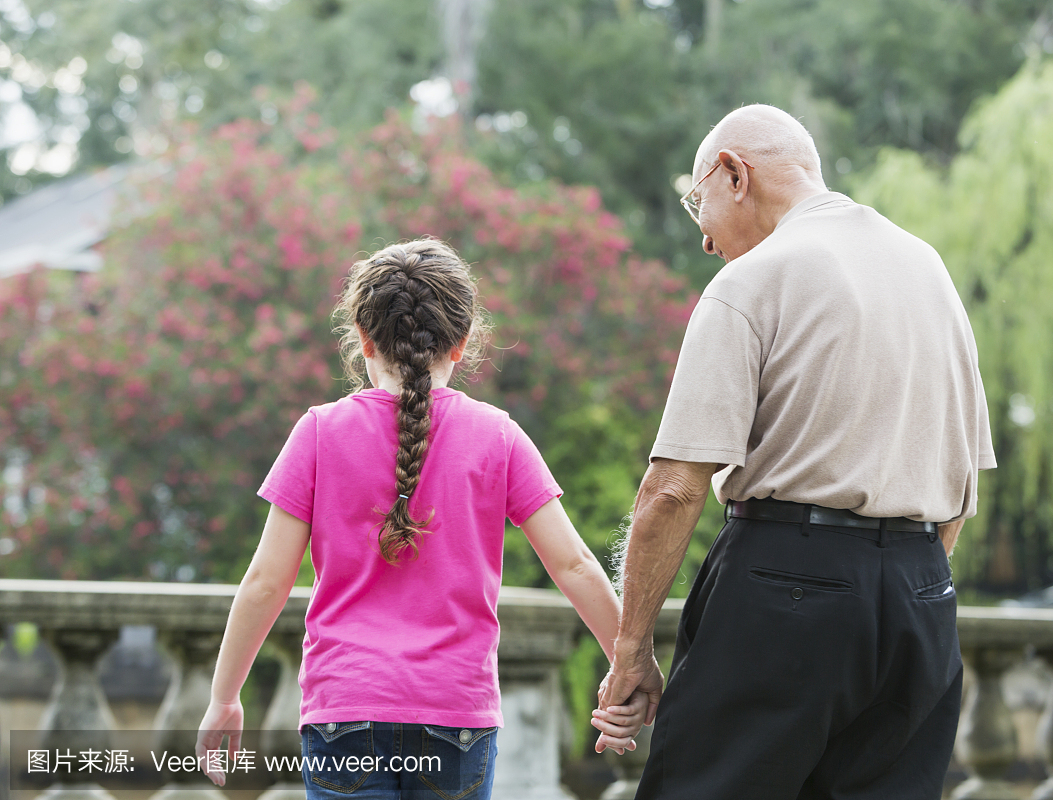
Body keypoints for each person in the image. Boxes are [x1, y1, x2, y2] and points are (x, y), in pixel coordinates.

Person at [596, 105, 996, 799]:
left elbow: (674, 489)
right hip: (922, 593)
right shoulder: (928, 268)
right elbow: (962, 484)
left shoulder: (754, 279)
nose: (706, 242)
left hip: (785, 587)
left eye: (699, 204)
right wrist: (900, 579)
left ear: (734, 174)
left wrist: (632, 651)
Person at [194, 238, 645, 799]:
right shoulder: (498, 436)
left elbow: (266, 581)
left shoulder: (318, 432)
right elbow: (574, 564)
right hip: (455, 714)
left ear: (362, 339)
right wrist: (630, 666)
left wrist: (224, 697)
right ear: (460, 344)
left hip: (344, 709)